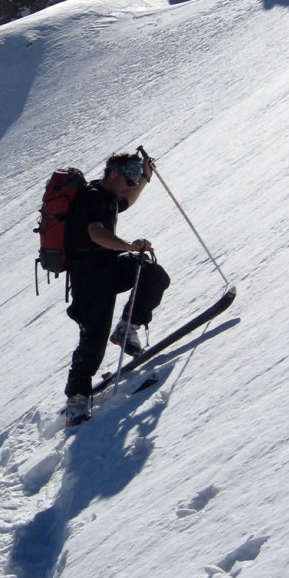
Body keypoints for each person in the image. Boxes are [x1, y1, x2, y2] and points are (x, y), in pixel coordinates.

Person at [63, 150, 170, 426]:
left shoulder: (109, 197)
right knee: (93, 340)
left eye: (133, 183)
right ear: (112, 173)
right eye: (129, 181)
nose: (130, 187)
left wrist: (145, 177)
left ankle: (127, 327)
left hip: (107, 268)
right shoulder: (91, 197)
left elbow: (127, 201)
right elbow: (95, 233)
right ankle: (76, 398)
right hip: (88, 278)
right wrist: (127, 246)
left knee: (152, 274)